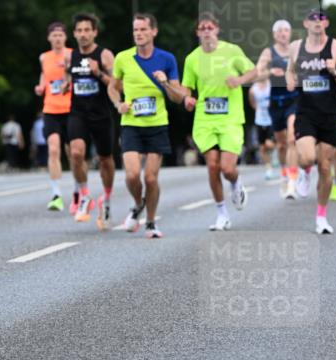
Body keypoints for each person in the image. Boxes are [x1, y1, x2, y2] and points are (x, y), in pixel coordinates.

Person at [109, 13, 184, 239]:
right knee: (132, 175)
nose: (139, 34)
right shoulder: (123, 58)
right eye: (135, 31)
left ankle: (150, 222)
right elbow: (112, 87)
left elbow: (178, 97)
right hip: (131, 124)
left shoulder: (166, 59)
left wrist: (164, 83)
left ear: (154, 32)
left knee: (150, 178)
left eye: (143, 30)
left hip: (157, 125)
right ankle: (138, 203)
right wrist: (118, 104)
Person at [180, 12, 257, 231]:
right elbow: (187, 86)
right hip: (204, 119)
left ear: (217, 30)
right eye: (202, 28)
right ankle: (222, 213)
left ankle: (235, 182)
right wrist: (187, 98)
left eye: (209, 27)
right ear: (197, 33)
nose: (206, 31)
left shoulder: (232, 51)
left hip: (231, 118)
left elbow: (254, 71)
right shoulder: (192, 58)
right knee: (212, 166)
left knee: (227, 168)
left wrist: (240, 80)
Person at [286, 8, 336, 234]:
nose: (317, 22)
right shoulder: (296, 47)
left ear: (327, 23)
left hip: (330, 115)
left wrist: (334, 72)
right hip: (306, 112)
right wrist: (290, 81)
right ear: (306, 23)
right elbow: (289, 70)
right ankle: (305, 171)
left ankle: (321, 217)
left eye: (321, 18)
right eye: (313, 19)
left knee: (325, 166)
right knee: (307, 157)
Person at [67, 13, 115, 229]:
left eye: (87, 30)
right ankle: (85, 195)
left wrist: (99, 74)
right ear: (74, 33)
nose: (83, 34)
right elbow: (69, 81)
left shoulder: (104, 55)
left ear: (95, 32)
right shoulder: (71, 57)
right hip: (78, 113)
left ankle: (106, 198)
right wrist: (63, 85)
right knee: (76, 152)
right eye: (79, 30)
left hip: (101, 114)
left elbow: (118, 85)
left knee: (105, 159)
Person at [256, 20, 299, 198]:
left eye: (286, 30)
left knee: (291, 139)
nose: (283, 33)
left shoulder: (296, 50)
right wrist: (270, 72)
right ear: (275, 35)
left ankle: (292, 182)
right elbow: (257, 73)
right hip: (276, 102)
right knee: (281, 145)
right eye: (280, 31)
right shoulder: (268, 52)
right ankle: (284, 174)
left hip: (294, 100)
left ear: (290, 33)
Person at [34, 22, 72, 211]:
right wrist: (41, 87)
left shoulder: (72, 54)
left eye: (60, 35)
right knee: (54, 150)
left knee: (74, 153)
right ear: (49, 38)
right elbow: (45, 75)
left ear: (65, 38)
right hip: (51, 109)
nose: (57, 38)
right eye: (54, 35)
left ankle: (78, 190)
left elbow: (77, 77)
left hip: (71, 109)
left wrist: (67, 70)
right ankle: (56, 194)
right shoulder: (44, 57)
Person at [248, 78, 275, 179]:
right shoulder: (253, 89)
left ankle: (274, 153)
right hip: (259, 120)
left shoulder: (271, 86)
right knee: (262, 147)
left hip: (271, 119)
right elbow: (252, 103)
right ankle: (268, 168)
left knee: (269, 144)